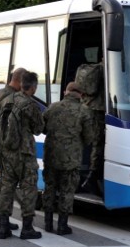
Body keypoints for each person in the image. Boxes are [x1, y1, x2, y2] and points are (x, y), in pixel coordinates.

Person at [42, 82, 99, 234]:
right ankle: (62, 225)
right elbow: (89, 138)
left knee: (50, 188)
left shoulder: (52, 107)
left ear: (65, 92)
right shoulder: (84, 111)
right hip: (71, 160)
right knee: (67, 191)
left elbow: (42, 128)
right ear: (81, 94)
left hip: (51, 157)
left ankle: (47, 223)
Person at [0, 71, 44, 240]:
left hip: (7, 150)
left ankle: (3, 226)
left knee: (7, 186)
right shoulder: (29, 105)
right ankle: (27, 227)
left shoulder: (8, 99)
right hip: (24, 153)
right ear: (33, 87)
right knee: (29, 187)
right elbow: (38, 128)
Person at [0, 68, 26, 230]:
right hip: (6, 147)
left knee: (0, 180)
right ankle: (1, 218)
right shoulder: (13, 98)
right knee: (7, 183)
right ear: (20, 81)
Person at [74, 63, 106, 195]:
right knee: (98, 144)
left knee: (84, 141)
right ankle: (91, 178)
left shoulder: (93, 70)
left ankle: (82, 177)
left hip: (88, 107)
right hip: (98, 111)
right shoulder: (109, 67)